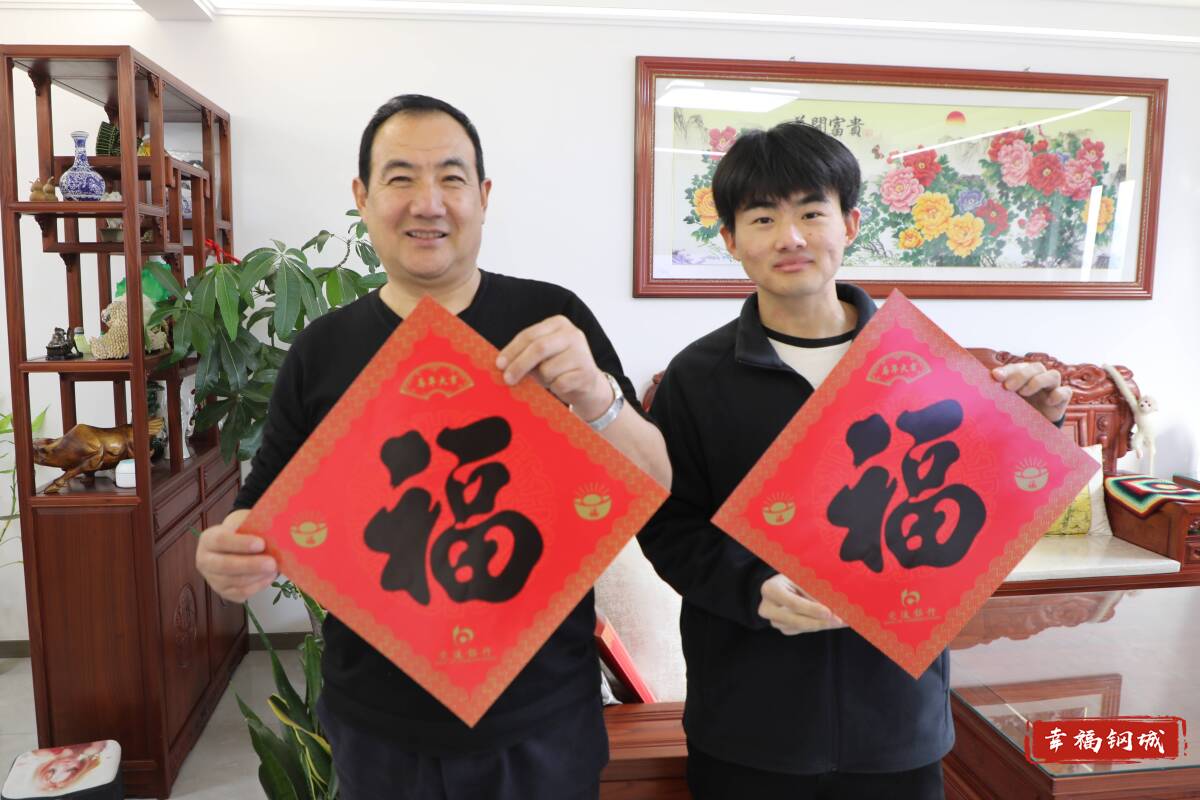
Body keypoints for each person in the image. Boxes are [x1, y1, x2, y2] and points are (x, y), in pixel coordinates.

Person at [195, 94, 670, 800]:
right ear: (362, 197)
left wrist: (596, 396)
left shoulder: (551, 320)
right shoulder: (323, 350)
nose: (428, 202)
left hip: (541, 715)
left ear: (483, 196)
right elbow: (260, 508)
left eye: (451, 178)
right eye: (400, 177)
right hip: (378, 724)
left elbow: (654, 483)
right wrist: (228, 552)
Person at [638, 121, 1070, 800]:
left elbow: (990, 496)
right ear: (730, 240)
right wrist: (752, 587)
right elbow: (668, 526)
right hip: (749, 722)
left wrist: (1038, 425)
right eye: (762, 218)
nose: (790, 237)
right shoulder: (696, 377)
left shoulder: (923, 363)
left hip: (898, 719)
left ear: (851, 223)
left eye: (812, 213)